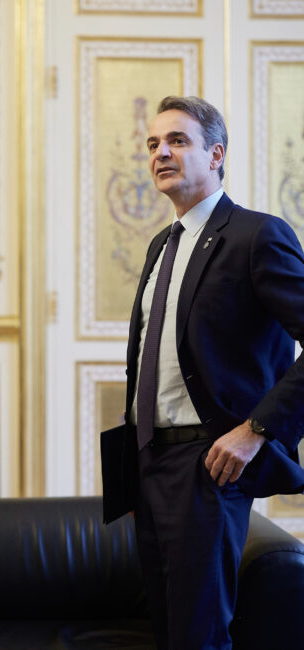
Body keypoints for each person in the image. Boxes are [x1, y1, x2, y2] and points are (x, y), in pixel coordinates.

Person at [123, 96, 304, 649]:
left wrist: (257, 430)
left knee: (197, 636)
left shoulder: (257, 235)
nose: (160, 153)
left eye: (177, 140)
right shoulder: (161, 245)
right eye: (153, 143)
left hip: (209, 464)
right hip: (148, 461)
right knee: (166, 630)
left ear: (216, 154)